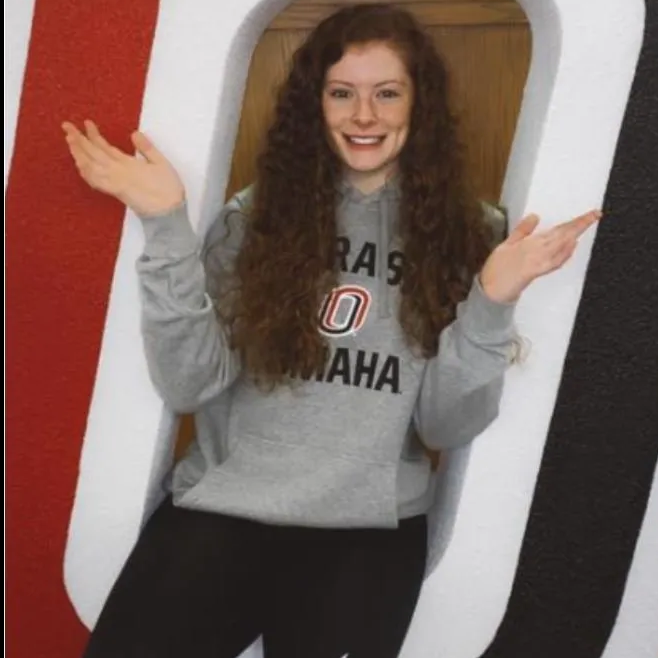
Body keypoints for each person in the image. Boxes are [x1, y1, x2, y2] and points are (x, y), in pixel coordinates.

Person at [62, 4, 600, 657]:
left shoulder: (472, 235)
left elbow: (445, 425)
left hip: (365, 539)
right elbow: (188, 381)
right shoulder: (255, 219)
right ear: (315, 104)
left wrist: (491, 299)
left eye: (387, 93)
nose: (363, 115)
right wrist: (166, 225)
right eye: (342, 93)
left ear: (420, 103)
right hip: (225, 512)